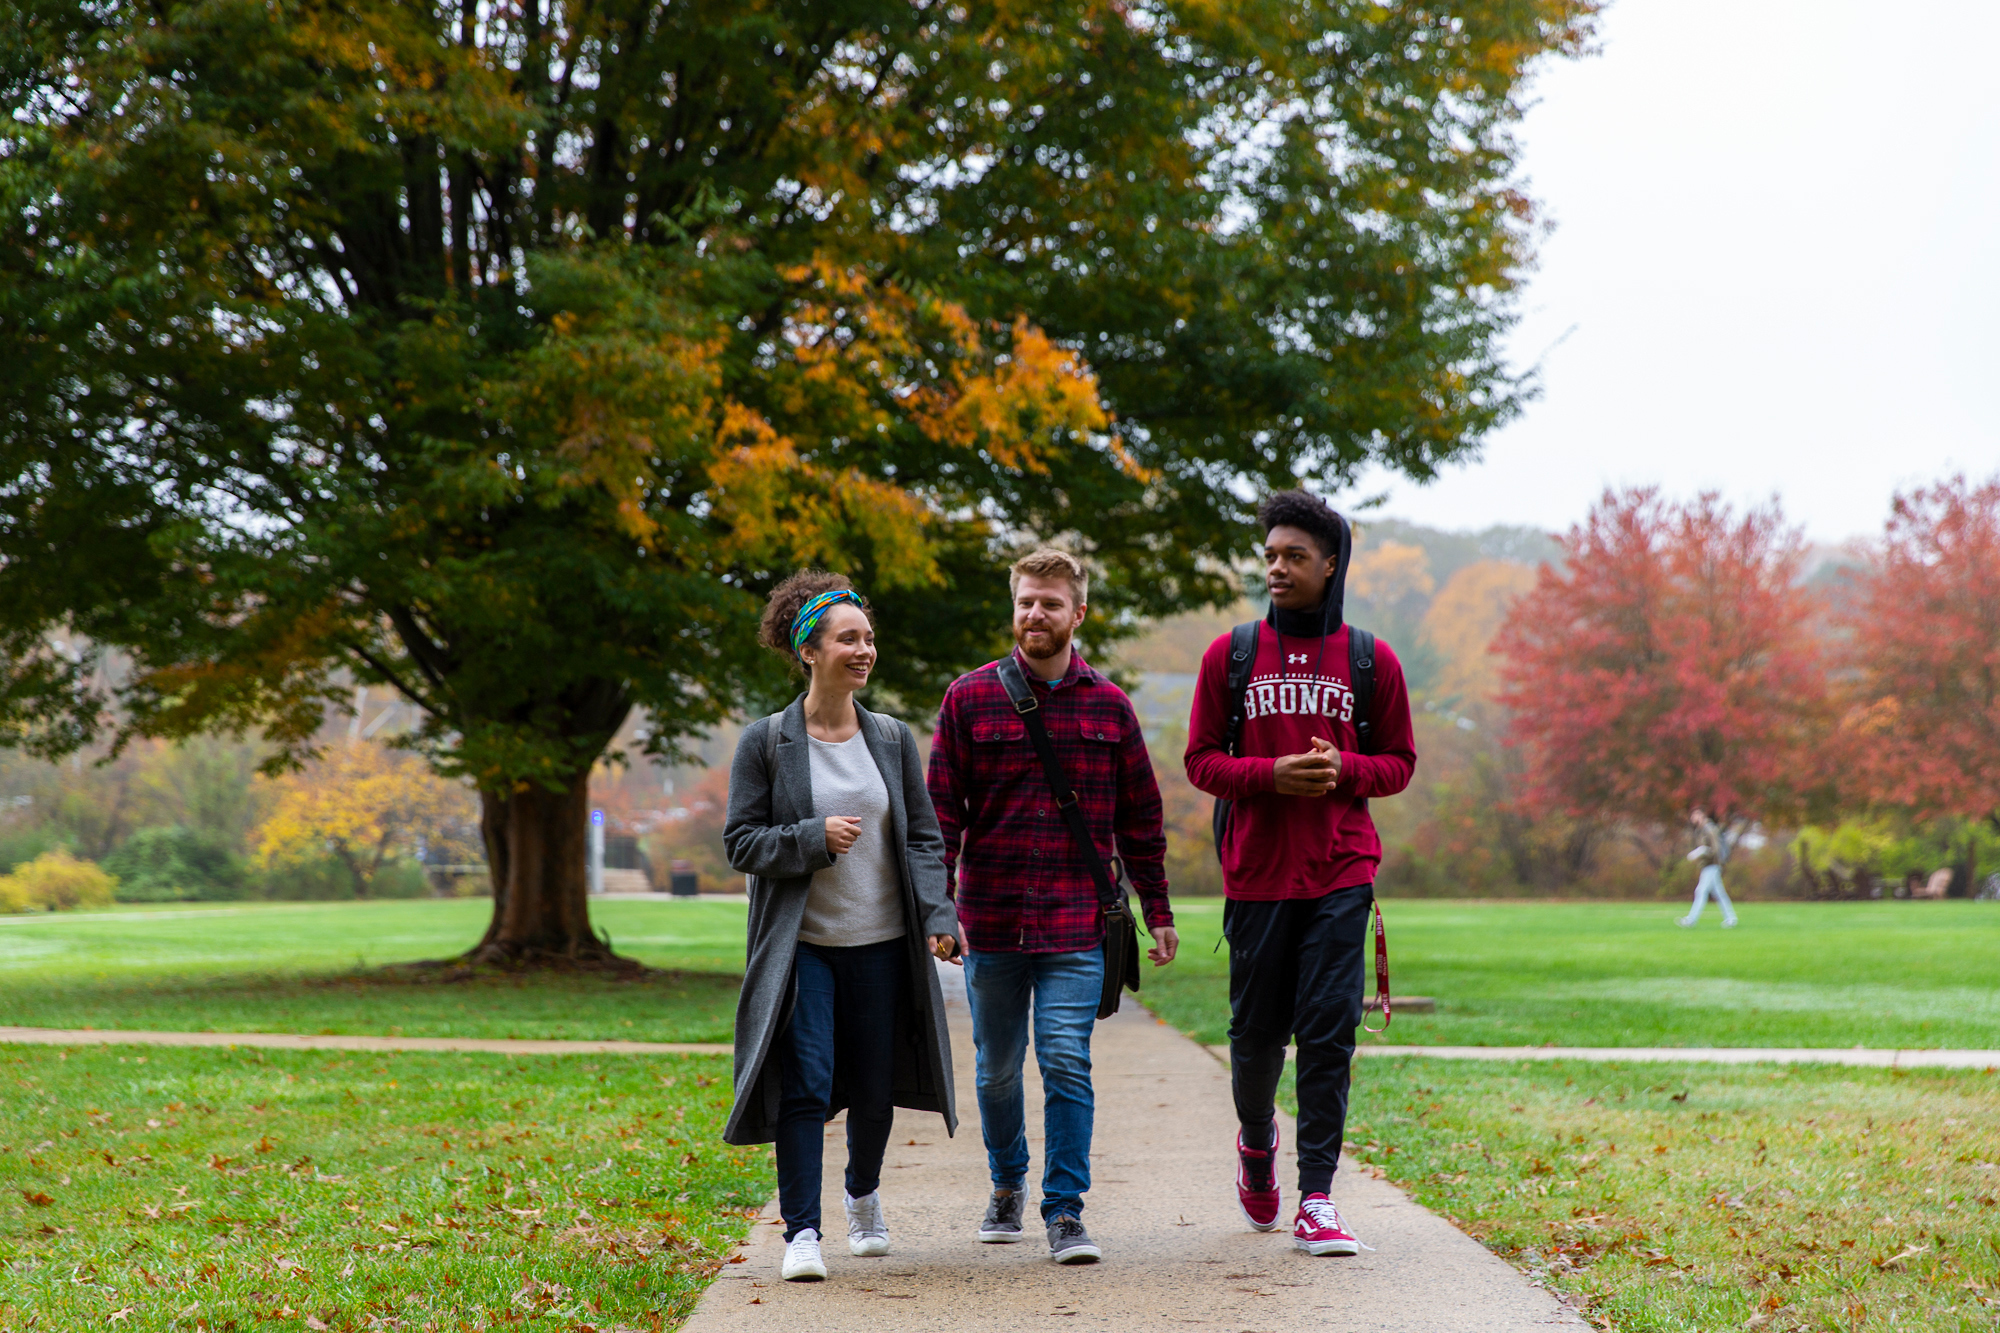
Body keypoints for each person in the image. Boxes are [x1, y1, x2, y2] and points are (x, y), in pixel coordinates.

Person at [926, 548, 1179, 1265]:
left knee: (1066, 1058)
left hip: (1077, 920)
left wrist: (1157, 907)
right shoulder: (968, 698)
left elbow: (1141, 819)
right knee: (997, 1069)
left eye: (1051, 603)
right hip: (993, 921)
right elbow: (941, 813)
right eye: (1025, 602)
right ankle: (1007, 1183)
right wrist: (936, 908)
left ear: (1079, 614)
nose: (1036, 614)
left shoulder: (1111, 707)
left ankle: (1065, 1208)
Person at [1183, 491, 1416, 1257]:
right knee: (1254, 1041)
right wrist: (1270, 775)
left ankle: (1317, 1195)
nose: (1277, 567)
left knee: (1327, 1032)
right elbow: (1201, 762)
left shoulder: (1369, 658)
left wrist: (1345, 767)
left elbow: (1399, 764)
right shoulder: (1234, 653)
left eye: (1293, 556)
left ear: (1330, 563)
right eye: (1271, 554)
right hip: (1256, 875)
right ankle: (1256, 1136)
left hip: (1341, 871)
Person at [721, 572, 962, 1283]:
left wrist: (937, 914)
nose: (866, 649)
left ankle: (862, 1193)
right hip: (805, 950)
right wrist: (810, 836)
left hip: (884, 944)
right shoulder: (765, 742)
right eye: (850, 638)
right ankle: (802, 1229)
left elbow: (923, 836)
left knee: (874, 1084)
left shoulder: (889, 737)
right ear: (810, 650)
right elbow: (741, 842)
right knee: (807, 1082)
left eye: (869, 637)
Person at [1681, 808, 1741, 928]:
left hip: (1712, 865)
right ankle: (1731, 918)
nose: (1693, 818)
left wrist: (1701, 852)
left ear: (1702, 815)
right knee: (1719, 893)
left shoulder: (1709, 829)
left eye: (1695, 815)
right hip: (1708, 865)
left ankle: (1691, 919)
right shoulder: (1701, 830)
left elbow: (1715, 849)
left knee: (1701, 891)